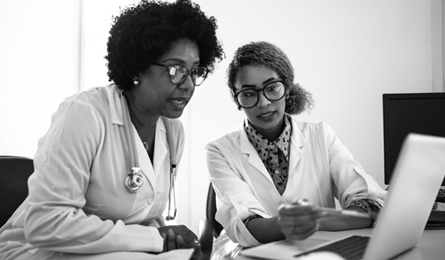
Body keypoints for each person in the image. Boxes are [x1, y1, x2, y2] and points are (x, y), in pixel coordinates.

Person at [0, 0, 223, 259]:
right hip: (37, 251)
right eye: (176, 70)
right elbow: (47, 224)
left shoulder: (173, 132)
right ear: (137, 67)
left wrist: (168, 239)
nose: (188, 85)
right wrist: (152, 238)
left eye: (194, 71)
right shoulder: (84, 114)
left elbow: (143, 214)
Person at [204, 41, 387, 257]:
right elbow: (244, 227)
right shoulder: (218, 150)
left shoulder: (320, 135)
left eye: (271, 88)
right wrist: (307, 221)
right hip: (247, 254)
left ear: (287, 87)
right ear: (237, 99)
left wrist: (315, 219)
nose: (263, 103)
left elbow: (369, 203)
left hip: (314, 252)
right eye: (249, 93)